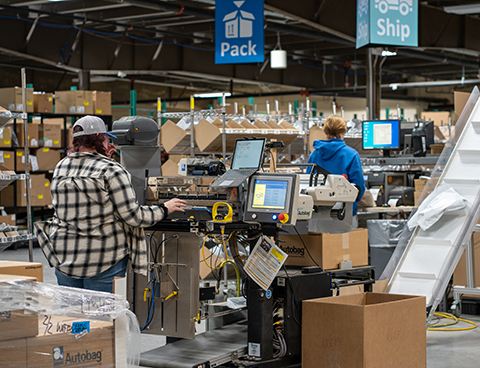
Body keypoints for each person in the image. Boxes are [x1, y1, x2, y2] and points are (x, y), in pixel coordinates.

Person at [34, 115, 186, 293]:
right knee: (102, 317)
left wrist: (103, 155)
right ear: (100, 138)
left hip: (65, 257)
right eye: (106, 139)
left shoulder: (62, 166)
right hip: (102, 260)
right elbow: (134, 217)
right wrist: (164, 208)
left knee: (73, 316)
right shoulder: (111, 169)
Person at [307, 115, 365, 227]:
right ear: (343, 131)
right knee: (345, 244)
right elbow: (358, 187)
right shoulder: (351, 154)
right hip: (343, 214)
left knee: (320, 244)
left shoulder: (314, 154)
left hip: (317, 215)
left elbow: (307, 183)